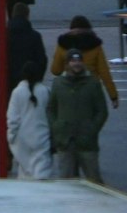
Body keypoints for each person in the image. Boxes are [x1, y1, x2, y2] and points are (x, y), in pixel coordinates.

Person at [46, 49, 109, 182]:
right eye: (73, 61)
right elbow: (51, 108)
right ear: (67, 64)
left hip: (87, 141)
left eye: (79, 60)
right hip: (65, 140)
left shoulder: (92, 83)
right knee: (66, 182)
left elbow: (102, 111)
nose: (77, 64)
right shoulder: (58, 83)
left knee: (94, 181)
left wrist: (92, 128)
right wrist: (56, 126)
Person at [49, 15, 118, 107]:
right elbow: (104, 72)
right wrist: (113, 96)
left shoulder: (63, 43)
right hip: (91, 87)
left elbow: (55, 70)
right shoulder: (95, 44)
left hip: (69, 87)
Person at [6, 61, 53, 179]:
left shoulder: (17, 92)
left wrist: (11, 137)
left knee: (25, 173)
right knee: (41, 174)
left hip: (22, 138)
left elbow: (13, 118)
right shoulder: (45, 91)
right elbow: (51, 115)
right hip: (42, 136)